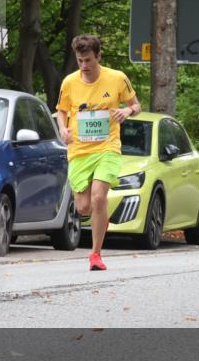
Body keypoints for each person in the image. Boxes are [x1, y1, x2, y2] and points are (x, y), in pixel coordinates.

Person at [55, 34, 141, 272]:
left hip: (108, 147)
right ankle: (95, 215)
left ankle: (95, 254)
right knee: (83, 207)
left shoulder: (117, 78)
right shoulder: (69, 83)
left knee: (98, 197)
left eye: (88, 60)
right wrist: (63, 129)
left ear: (98, 56)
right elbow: (62, 111)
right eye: (80, 60)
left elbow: (137, 105)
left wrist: (127, 111)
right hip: (79, 150)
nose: (84, 66)